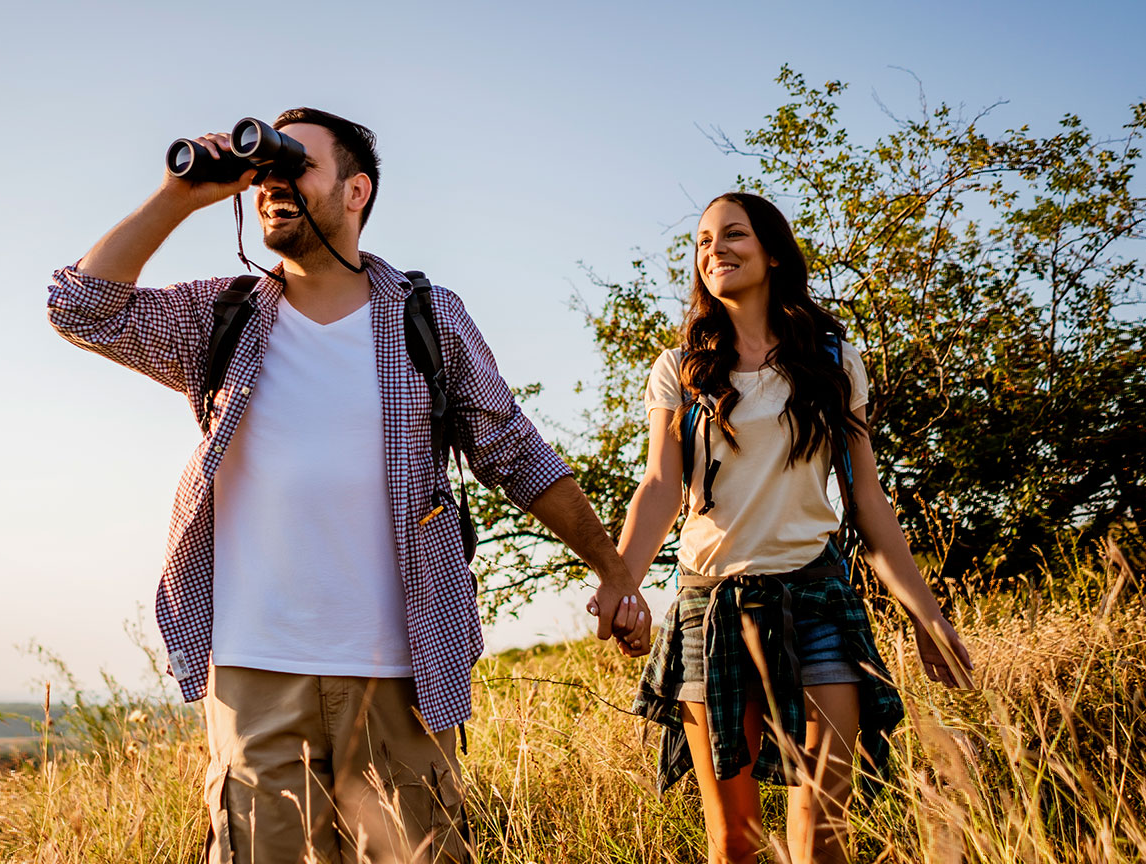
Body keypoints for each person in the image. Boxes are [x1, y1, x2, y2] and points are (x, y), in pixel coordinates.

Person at [47, 108, 651, 862]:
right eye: (264, 170)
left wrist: (613, 569)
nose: (272, 182)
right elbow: (78, 307)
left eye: (295, 164)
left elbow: (514, 452)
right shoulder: (221, 315)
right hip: (254, 670)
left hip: (399, 669)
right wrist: (179, 197)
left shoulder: (425, 318)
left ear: (356, 191)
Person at [594, 192, 976, 863]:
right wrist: (620, 582)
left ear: (772, 253)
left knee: (823, 831)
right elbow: (658, 489)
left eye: (733, 235)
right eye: (704, 241)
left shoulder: (833, 360)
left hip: (816, 602)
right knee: (733, 842)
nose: (715, 250)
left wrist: (927, 615)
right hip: (710, 609)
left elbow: (866, 499)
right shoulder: (679, 370)